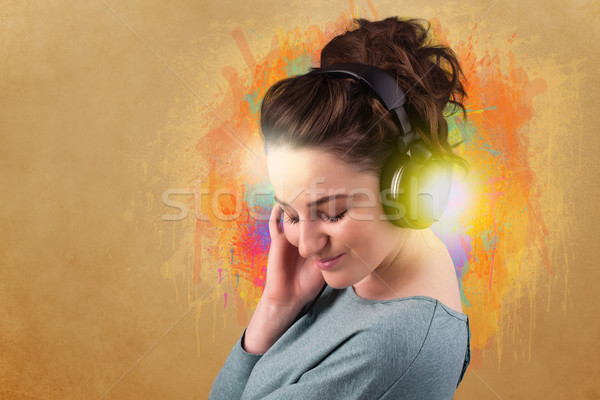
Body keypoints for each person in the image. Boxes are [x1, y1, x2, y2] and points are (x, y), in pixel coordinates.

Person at [209, 16, 471, 400]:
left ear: (409, 191)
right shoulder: (368, 260)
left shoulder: (386, 350)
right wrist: (276, 306)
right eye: (292, 214)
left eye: (331, 213)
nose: (305, 246)